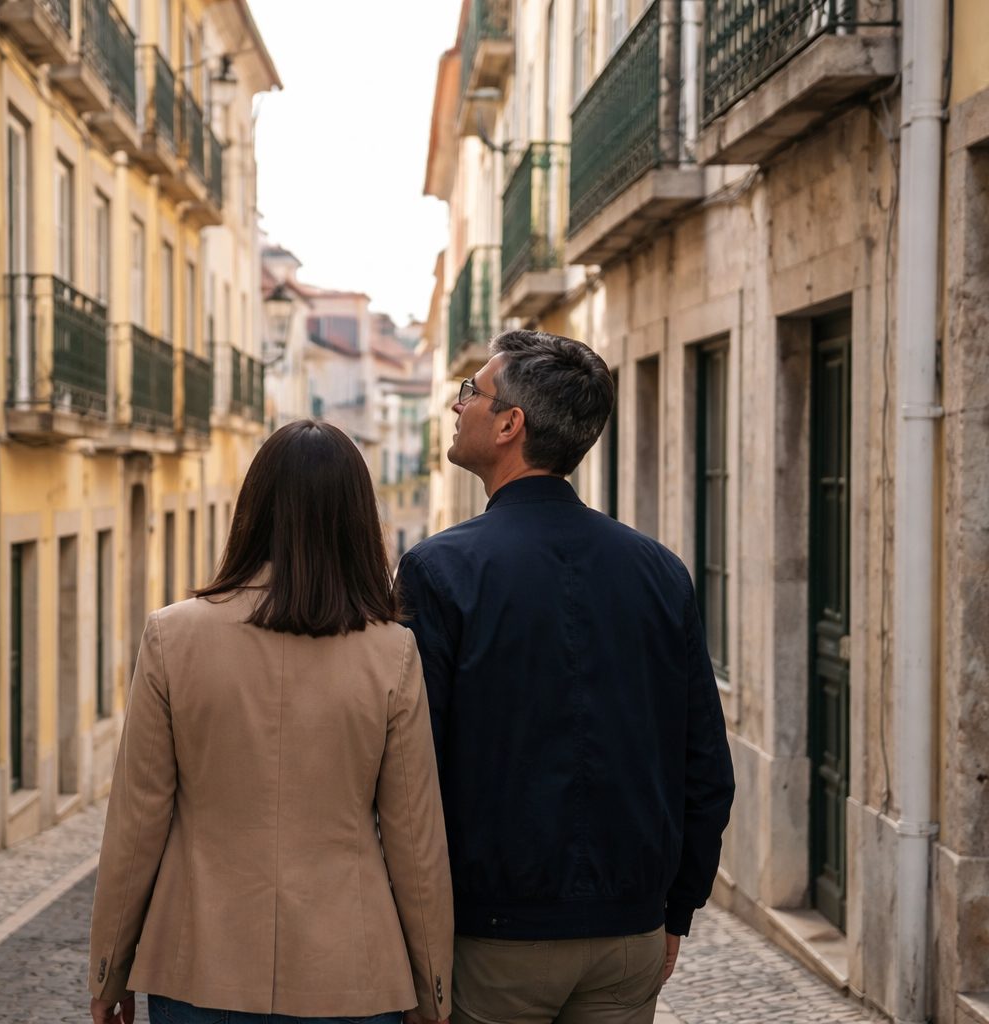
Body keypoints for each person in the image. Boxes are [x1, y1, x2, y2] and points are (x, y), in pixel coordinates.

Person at [396, 330, 736, 1024]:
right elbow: (706, 766)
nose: (456, 406)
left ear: (510, 424)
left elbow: (411, 773)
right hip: (629, 937)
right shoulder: (659, 571)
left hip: (492, 942)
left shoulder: (440, 571)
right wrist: (674, 911)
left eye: (472, 393)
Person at [88, 419, 454, 1024]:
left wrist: (109, 969)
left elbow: (137, 820)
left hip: (199, 964)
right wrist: (434, 987)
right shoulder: (392, 652)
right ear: (358, 521)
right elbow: (415, 839)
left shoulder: (173, 636)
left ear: (251, 509)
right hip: (352, 973)